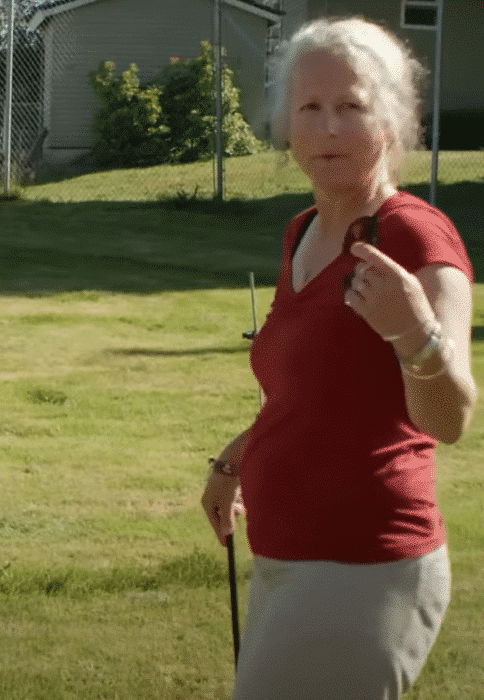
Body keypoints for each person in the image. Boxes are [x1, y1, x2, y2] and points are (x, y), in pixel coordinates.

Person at [200, 17, 475, 700]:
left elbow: (452, 416)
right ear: (286, 122)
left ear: (391, 117)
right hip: (285, 556)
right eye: (310, 108)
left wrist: (414, 333)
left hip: (366, 568)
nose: (327, 129)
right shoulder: (303, 231)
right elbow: (309, 392)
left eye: (351, 107)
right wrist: (237, 458)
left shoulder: (414, 234)